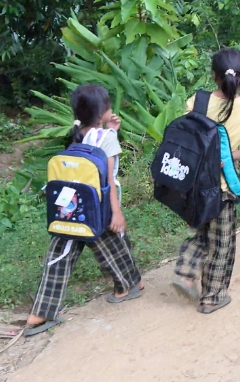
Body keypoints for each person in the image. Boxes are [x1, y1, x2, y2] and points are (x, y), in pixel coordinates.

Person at [26, 84, 144, 336]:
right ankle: (128, 285)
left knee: (60, 253)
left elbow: (94, 143)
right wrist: (117, 212)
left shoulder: (76, 133)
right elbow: (109, 180)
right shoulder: (108, 138)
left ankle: (41, 312)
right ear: (103, 111)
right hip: (99, 207)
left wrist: (110, 128)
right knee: (113, 240)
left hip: (71, 208)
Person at [172, 48, 240, 314]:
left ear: (214, 76)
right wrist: (229, 158)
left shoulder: (196, 102)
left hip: (193, 185)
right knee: (221, 242)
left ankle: (185, 270)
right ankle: (212, 297)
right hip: (222, 188)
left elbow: (186, 137)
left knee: (199, 230)